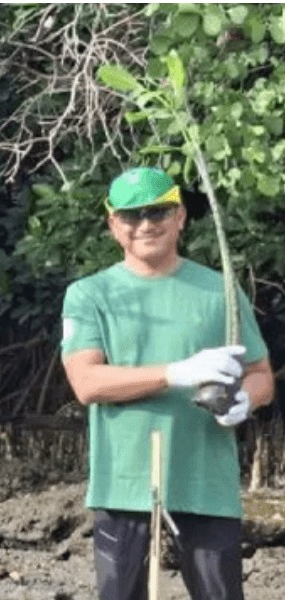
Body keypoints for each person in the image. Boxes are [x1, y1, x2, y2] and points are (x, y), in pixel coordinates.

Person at [61, 167, 274, 600]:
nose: (145, 224)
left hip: (205, 483)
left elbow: (261, 375)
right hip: (123, 483)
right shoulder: (89, 294)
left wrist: (243, 401)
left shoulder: (220, 290)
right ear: (113, 224)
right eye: (131, 215)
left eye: (157, 211)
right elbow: (86, 383)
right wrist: (176, 373)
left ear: (180, 216)